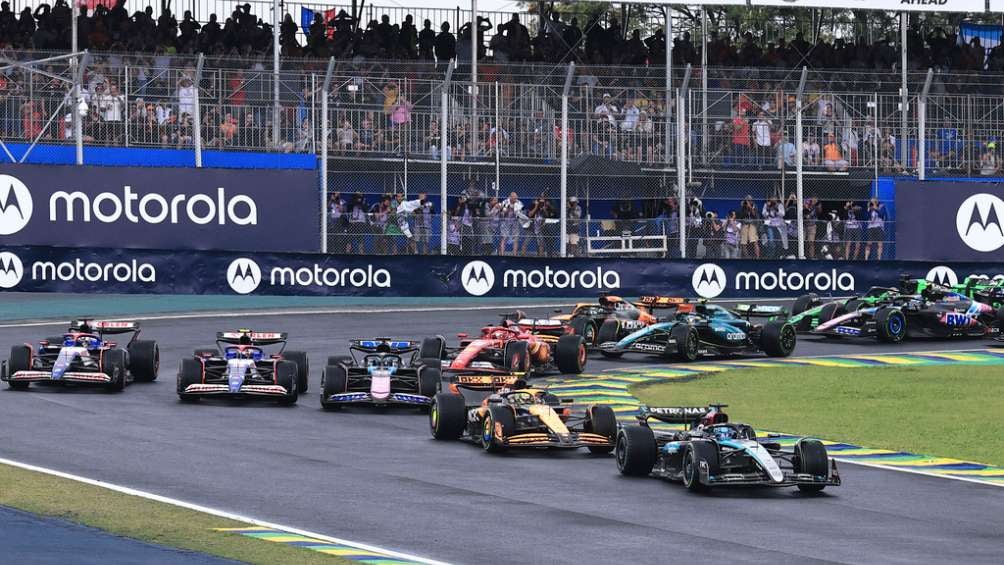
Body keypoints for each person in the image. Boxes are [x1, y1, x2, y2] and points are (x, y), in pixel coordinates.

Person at [499, 191, 523, 256]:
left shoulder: (519, 203)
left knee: (516, 238)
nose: (515, 199)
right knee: (504, 237)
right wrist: (507, 209)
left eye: (516, 198)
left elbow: (520, 214)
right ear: (510, 197)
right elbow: (501, 212)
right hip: (505, 221)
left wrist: (515, 210)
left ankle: (514, 255)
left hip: (515, 221)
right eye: (514, 198)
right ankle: (502, 255)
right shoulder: (505, 202)